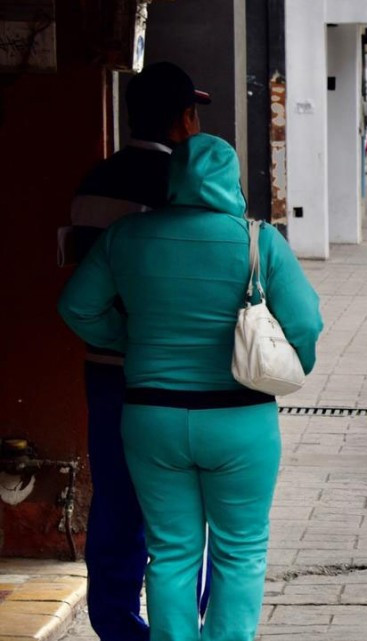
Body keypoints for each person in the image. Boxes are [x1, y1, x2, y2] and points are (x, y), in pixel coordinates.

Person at [58, 134, 323, 641]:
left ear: (172, 179)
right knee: (240, 549)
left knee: (171, 549)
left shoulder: (127, 235)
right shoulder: (258, 240)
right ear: (233, 180)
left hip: (150, 417)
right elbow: (306, 323)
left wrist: (128, 341)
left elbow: (75, 307)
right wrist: (293, 367)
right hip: (240, 420)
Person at [66, 61, 212, 641]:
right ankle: (182, 624)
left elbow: (81, 287)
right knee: (178, 511)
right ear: (184, 118)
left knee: (115, 501)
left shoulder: (93, 180)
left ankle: (118, 625)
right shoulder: (183, 183)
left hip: (104, 372)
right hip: (171, 377)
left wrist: (112, 340)